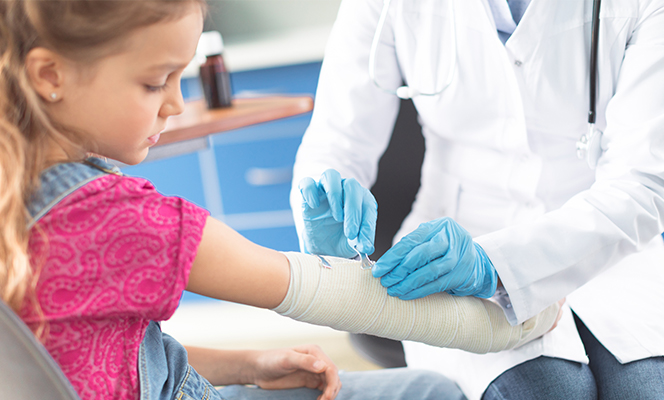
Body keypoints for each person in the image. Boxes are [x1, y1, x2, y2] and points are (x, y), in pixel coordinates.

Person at [0, 1, 563, 400]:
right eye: (155, 82)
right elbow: (330, 293)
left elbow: (109, 355)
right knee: (434, 393)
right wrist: (520, 305)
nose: (176, 104)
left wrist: (250, 363)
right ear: (50, 75)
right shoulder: (126, 220)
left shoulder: (15, 190)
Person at [290, 0, 664, 399]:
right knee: (550, 392)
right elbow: (336, 141)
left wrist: (496, 263)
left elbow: (641, 184)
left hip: (608, 242)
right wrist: (322, 197)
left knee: (643, 390)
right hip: (447, 253)